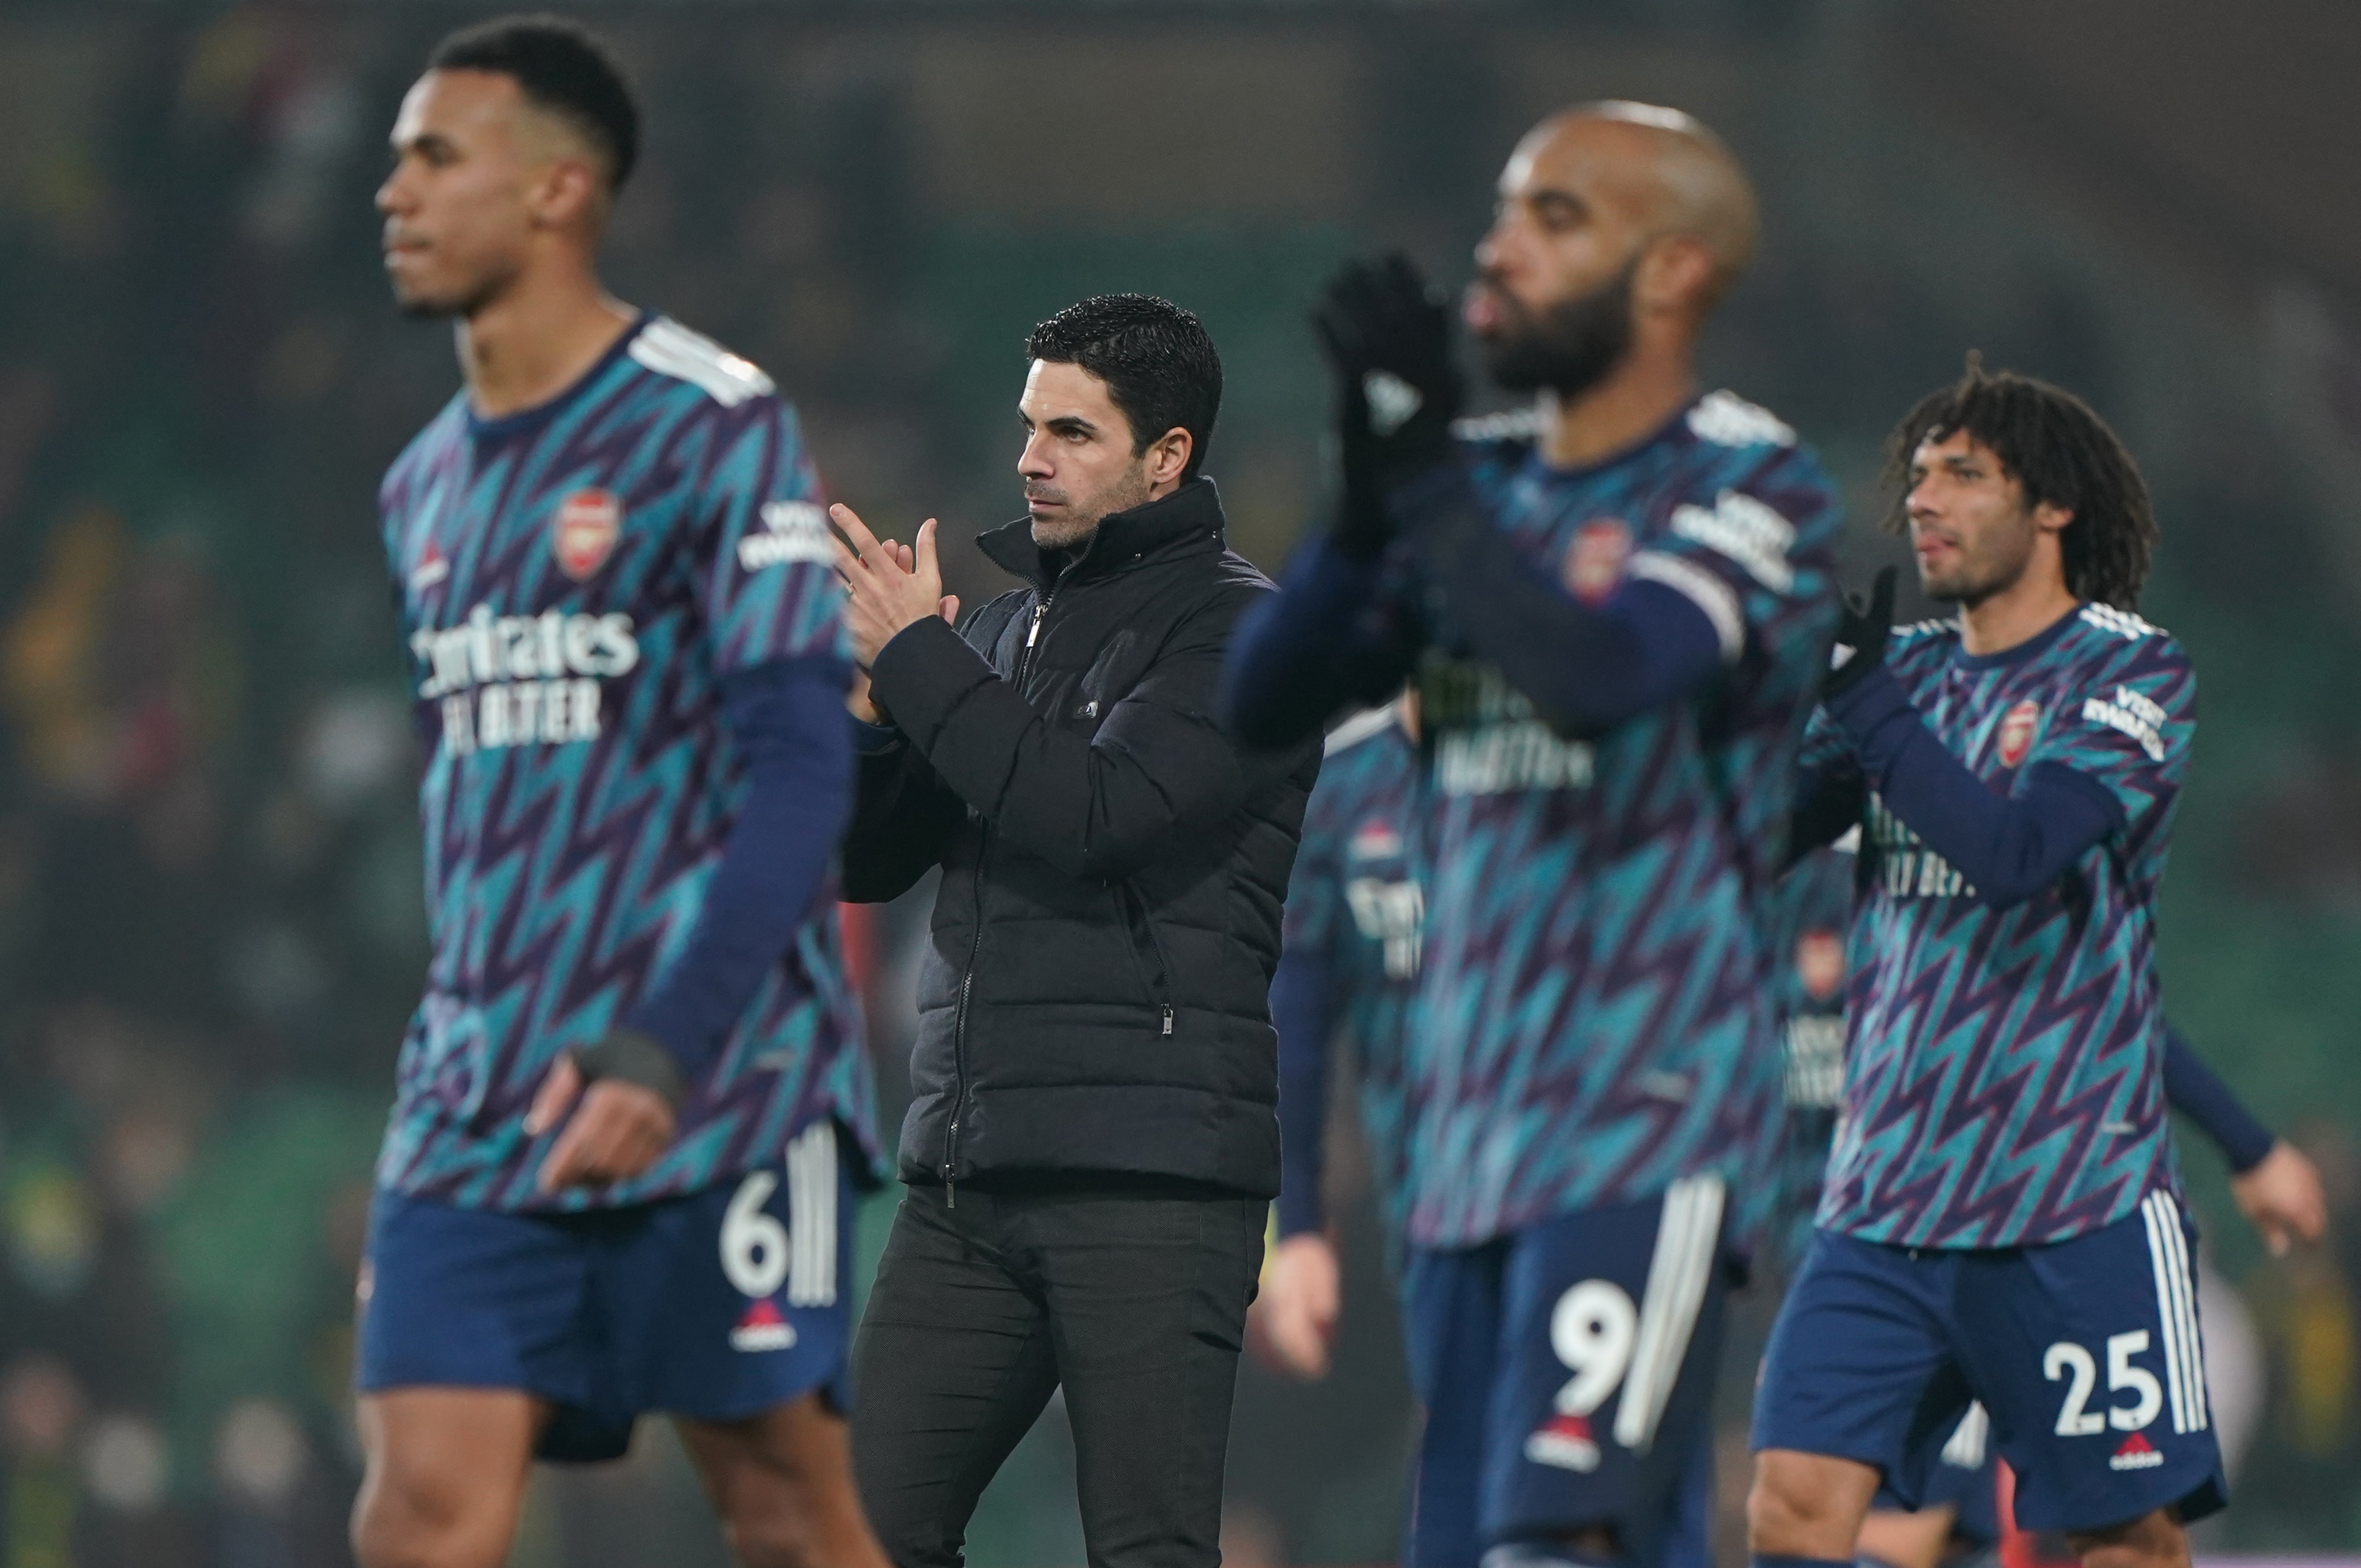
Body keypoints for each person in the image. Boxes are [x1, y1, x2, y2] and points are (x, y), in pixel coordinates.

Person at [1222, 102, 1842, 1568]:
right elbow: (1264, 695)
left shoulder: (1746, 483)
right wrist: (1364, 501)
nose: (1499, 247)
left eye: (1556, 217)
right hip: (1463, 1149)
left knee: (1547, 1543)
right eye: (1502, 211)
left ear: (1674, 271)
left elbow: (1596, 672)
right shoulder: (1477, 486)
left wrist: (1427, 484)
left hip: (1644, 1116)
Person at [354, 19, 886, 1568]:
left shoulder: (710, 424)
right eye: (394, 155)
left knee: (786, 1515)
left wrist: (671, 1044)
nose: (393, 190)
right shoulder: (420, 486)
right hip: (477, 1097)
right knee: (417, 1515)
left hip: (718, 1077)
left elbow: (803, 766)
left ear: (558, 193)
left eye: (436, 157)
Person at [828, 294, 1322, 1568]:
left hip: (1150, 1175)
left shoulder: (1242, 631)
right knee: (855, 1536)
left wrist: (924, 670)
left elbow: (1097, 812)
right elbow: (868, 863)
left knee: (1145, 1549)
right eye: (1027, 427)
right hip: (969, 1177)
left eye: (1072, 433)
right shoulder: (996, 628)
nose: (1030, 459)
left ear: (1167, 458)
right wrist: (881, 715)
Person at [1747, 363, 2220, 1568]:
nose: (1923, 499)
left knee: (2120, 1538)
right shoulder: (1891, 674)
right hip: (1886, 1197)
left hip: (2074, 1197)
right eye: (1915, 476)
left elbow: (2016, 854)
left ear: (2051, 504)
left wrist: (1867, 713)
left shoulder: (2129, 673)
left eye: (1963, 473)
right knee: (1794, 1505)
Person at [1760, 845, 2329, 1568]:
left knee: (1903, 1534)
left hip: (1950, 1245)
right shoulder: (1772, 893)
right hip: (1846, 1275)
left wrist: (2246, 1145)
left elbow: (2104, 1012)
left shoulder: (1957, 871)